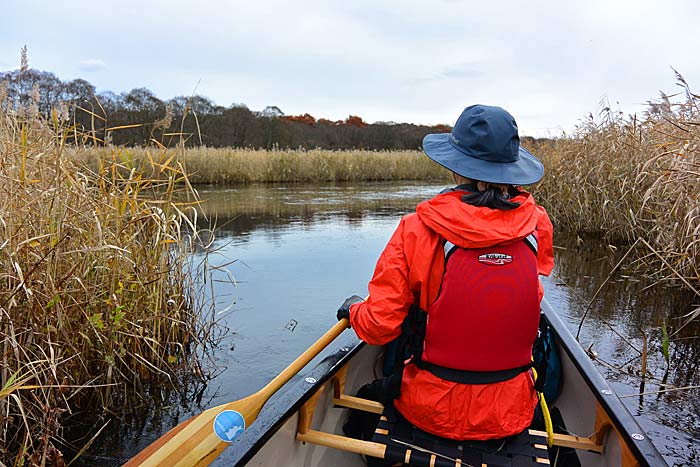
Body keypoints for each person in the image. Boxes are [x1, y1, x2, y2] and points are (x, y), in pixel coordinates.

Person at [337, 104, 554, 442]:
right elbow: (529, 294)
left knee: (360, 416)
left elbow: (379, 327)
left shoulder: (417, 229)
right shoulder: (537, 224)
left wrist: (353, 311)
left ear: (457, 169)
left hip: (431, 410)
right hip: (512, 410)